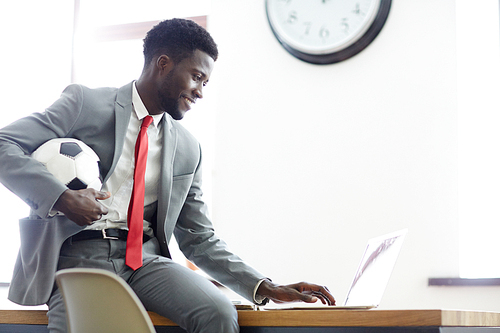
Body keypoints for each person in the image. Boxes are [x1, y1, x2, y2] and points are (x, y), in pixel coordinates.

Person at [0, 18, 335, 333]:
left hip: (145, 261)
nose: (201, 91)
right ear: (163, 64)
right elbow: (5, 143)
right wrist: (61, 197)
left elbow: (199, 238)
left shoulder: (189, 148)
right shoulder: (84, 103)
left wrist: (264, 286)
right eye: (196, 77)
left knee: (218, 312)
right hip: (78, 254)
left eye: (205, 83)